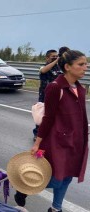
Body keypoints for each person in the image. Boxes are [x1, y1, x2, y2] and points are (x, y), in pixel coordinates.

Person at [17, 50, 89, 212]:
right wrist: (37, 143)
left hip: (76, 141)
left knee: (68, 175)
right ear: (67, 67)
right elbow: (48, 118)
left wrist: (84, 136)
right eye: (81, 64)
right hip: (58, 141)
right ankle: (24, 186)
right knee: (57, 178)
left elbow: (81, 116)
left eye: (86, 64)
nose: (86, 67)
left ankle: (56, 208)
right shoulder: (55, 88)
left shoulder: (80, 88)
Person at [32, 49, 62, 141]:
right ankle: (37, 133)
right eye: (53, 56)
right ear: (47, 57)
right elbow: (44, 71)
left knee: (55, 114)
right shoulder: (43, 67)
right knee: (41, 114)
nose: (55, 58)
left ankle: (50, 133)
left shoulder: (59, 68)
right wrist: (56, 61)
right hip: (45, 94)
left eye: (57, 56)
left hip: (57, 95)